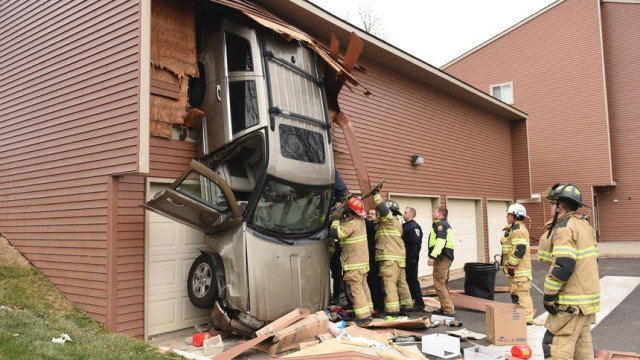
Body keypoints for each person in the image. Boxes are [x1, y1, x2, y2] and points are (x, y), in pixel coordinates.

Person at [538, 183, 600, 359]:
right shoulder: (583, 224)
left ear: (560, 206)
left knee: (556, 346)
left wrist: (549, 295)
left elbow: (563, 264)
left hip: (570, 302)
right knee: (582, 347)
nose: (550, 207)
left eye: (552, 203)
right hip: (585, 301)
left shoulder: (565, 227)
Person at [329, 195, 373, 326]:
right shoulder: (360, 221)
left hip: (354, 263)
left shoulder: (351, 223)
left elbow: (336, 233)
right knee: (363, 286)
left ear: (348, 210)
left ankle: (364, 317)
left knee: (355, 289)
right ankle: (368, 310)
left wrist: (336, 220)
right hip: (362, 262)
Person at [372, 189, 412, 320]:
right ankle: (405, 307)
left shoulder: (388, 220)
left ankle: (393, 311)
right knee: (401, 283)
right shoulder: (395, 223)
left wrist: (376, 195)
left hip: (389, 258)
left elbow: (382, 208)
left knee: (389, 284)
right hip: (399, 258)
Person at [500, 203, 534, 325]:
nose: (506, 217)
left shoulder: (517, 230)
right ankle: (523, 318)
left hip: (519, 271)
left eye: (508, 214)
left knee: (521, 295)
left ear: (515, 215)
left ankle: (526, 319)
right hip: (517, 271)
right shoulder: (514, 229)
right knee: (517, 295)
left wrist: (511, 264)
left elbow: (520, 249)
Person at [428, 206, 455, 316]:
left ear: (440, 215)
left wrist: (432, 256)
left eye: (435, 212)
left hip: (441, 257)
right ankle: (446, 307)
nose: (433, 213)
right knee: (444, 283)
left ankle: (448, 310)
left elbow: (440, 242)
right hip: (445, 257)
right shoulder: (444, 225)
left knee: (439, 284)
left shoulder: (441, 225)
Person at [402, 207, 424, 311]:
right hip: (405, 258)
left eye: (405, 212)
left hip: (411, 259)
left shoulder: (413, 227)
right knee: (407, 280)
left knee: (412, 280)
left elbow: (416, 244)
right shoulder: (406, 226)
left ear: (411, 215)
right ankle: (411, 300)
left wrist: (412, 258)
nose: (403, 214)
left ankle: (419, 303)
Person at [365, 209, 385, 312]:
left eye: (372, 214)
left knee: (375, 283)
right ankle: (371, 304)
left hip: (375, 258)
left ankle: (379, 305)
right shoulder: (367, 225)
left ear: (377, 216)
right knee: (368, 282)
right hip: (366, 257)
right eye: (368, 213)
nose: (369, 215)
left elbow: (368, 225)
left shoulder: (375, 226)